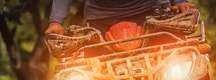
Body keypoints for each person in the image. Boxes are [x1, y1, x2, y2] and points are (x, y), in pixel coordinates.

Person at [45, 0, 197, 35]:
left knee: (180, 57)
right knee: (91, 71)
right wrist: (55, 22)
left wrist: (180, 2)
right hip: (101, 19)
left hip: (153, 12)